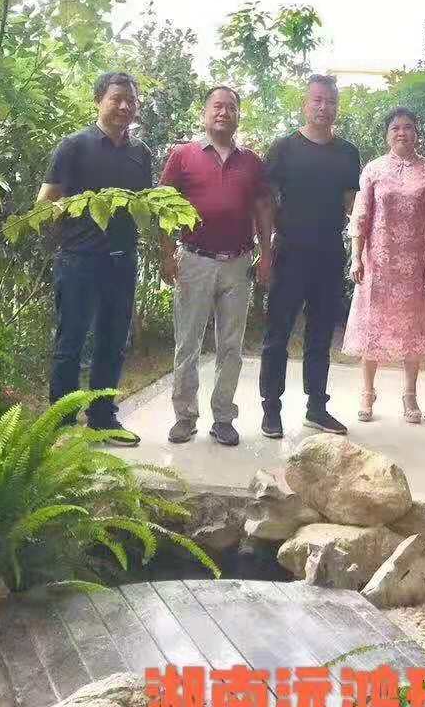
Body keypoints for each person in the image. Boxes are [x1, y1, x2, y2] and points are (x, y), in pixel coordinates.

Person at [38, 72, 152, 446]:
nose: (124, 106)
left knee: (113, 342)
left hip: (123, 261)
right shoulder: (73, 146)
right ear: (99, 101)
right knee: (70, 344)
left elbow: (141, 206)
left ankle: (103, 419)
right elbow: (45, 204)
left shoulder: (140, 153)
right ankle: (61, 424)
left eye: (130, 100)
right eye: (116, 98)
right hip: (79, 261)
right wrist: (77, 220)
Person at [159, 87, 273, 447]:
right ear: (205, 113)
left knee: (231, 346)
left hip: (238, 263)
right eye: (217, 106)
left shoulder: (252, 161)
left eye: (231, 107)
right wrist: (166, 253)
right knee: (187, 343)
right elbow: (163, 206)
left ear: (239, 115)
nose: (224, 112)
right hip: (194, 260)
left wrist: (266, 254)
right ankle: (185, 416)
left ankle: (223, 417)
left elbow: (263, 209)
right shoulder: (182, 155)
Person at [258, 75, 362, 440]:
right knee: (277, 335)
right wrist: (266, 250)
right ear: (305, 104)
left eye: (330, 101)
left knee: (320, 336)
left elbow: (352, 206)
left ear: (337, 107)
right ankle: (271, 409)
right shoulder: (284, 149)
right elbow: (266, 203)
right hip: (289, 253)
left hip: (329, 254)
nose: (323, 107)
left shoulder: (347, 152)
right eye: (317, 100)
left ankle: (317, 408)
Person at [342, 108, 425, 424]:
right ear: (387, 134)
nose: (402, 132)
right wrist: (356, 257)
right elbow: (361, 216)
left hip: (415, 265)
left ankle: (410, 395)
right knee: (372, 325)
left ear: (417, 133)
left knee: (412, 329)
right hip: (378, 262)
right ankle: (367, 392)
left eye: (408, 127)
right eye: (395, 128)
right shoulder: (373, 169)